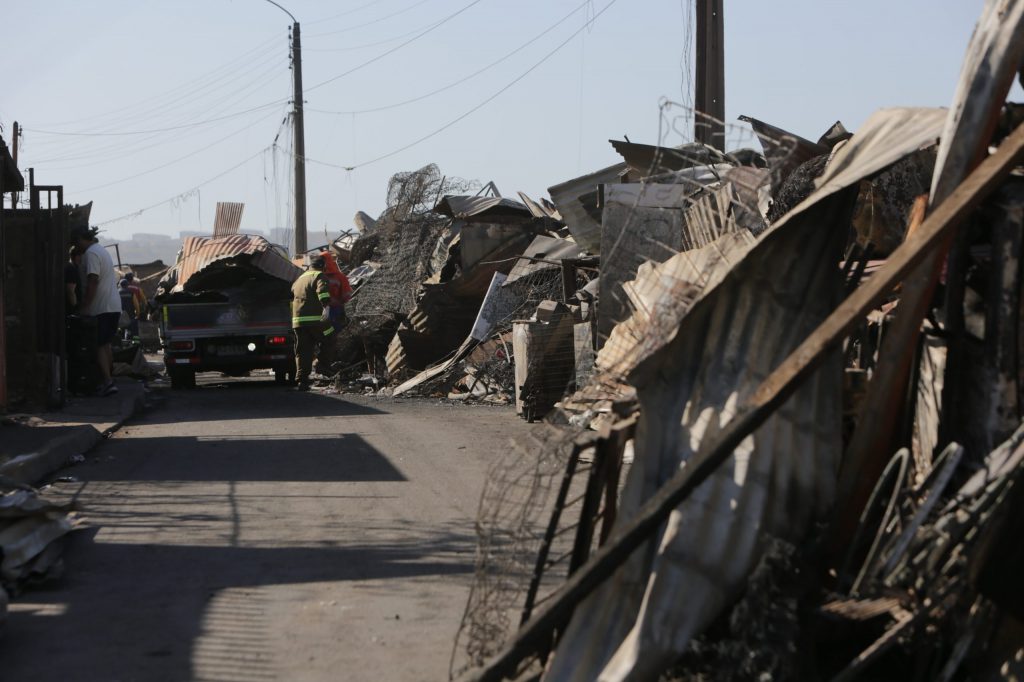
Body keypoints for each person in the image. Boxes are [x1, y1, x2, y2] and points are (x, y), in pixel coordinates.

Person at [71, 226, 122, 396]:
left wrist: (85, 306)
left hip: (101, 307)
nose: (75, 248)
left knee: (99, 345)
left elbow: (93, 281)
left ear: (80, 239)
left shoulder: (91, 254)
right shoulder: (101, 250)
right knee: (106, 344)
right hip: (113, 306)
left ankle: (107, 381)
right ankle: (109, 380)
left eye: (75, 243)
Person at [290, 255, 333, 391]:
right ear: (323, 267)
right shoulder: (320, 276)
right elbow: (322, 292)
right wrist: (326, 307)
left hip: (298, 322)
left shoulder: (300, 279)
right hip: (316, 320)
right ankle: (324, 370)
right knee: (330, 338)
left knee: (303, 350)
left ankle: (302, 380)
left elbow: (292, 293)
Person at [64, 247, 82, 314]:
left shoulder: (71, 267)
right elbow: (70, 291)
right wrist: (75, 307)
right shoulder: (72, 269)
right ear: (77, 257)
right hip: (71, 309)